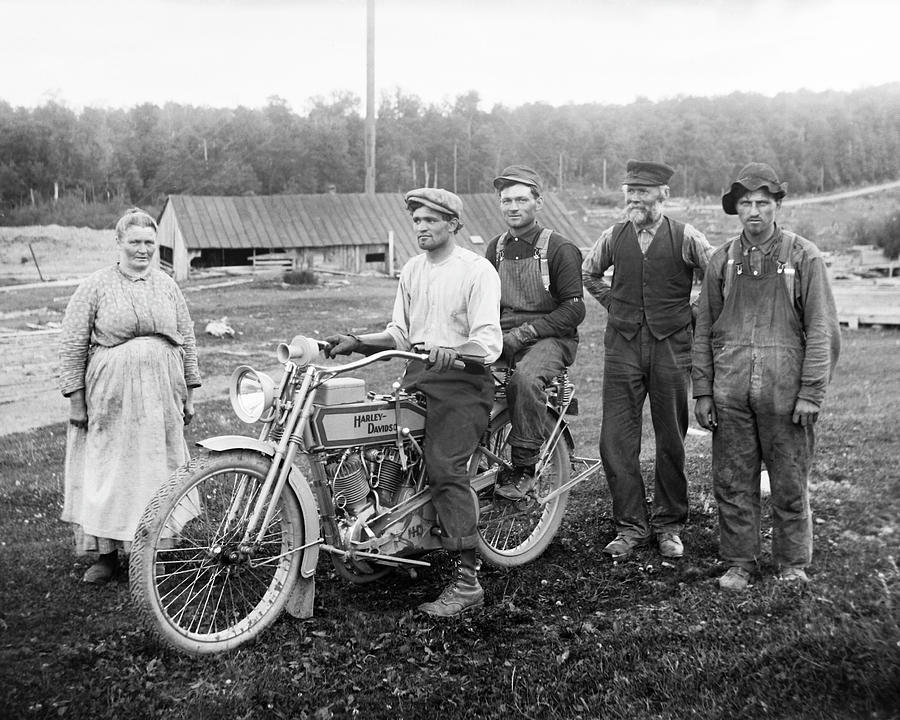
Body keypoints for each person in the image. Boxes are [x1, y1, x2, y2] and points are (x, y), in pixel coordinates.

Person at [325, 188, 502, 617]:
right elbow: (400, 334)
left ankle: (467, 580)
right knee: (377, 444)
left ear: (453, 224)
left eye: (431, 221)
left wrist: (457, 351)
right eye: (417, 221)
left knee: (444, 466)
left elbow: (488, 339)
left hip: (464, 382)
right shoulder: (412, 270)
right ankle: (388, 532)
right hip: (418, 376)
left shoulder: (477, 271)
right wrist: (356, 342)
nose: (421, 228)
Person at [692, 162, 840, 591]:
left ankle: (792, 562)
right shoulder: (721, 261)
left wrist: (811, 393)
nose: (754, 211)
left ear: (777, 205)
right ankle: (740, 561)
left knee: (790, 480)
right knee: (733, 481)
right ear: (735, 208)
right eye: (745, 203)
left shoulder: (803, 257)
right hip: (731, 393)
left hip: (786, 392)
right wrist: (703, 391)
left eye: (762, 202)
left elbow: (821, 330)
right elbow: (704, 330)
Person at [59, 208, 201, 584]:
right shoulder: (96, 285)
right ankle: (106, 556)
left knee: (159, 468)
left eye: (149, 243)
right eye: (135, 242)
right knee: (111, 472)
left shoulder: (167, 285)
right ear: (118, 243)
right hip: (111, 397)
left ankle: (159, 549)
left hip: (161, 398)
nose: (143, 250)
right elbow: (73, 343)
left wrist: (188, 392)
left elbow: (185, 337)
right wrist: (77, 401)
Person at [582, 160, 713, 560]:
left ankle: (669, 524)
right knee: (615, 441)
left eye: (644, 191)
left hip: (671, 346)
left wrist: (689, 312)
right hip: (622, 346)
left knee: (670, 436)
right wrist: (614, 304)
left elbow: (717, 278)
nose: (635, 198)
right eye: (630, 191)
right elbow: (589, 274)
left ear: (663, 195)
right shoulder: (613, 235)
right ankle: (630, 526)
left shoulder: (686, 236)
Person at [484, 165, 585, 500]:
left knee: (524, 380)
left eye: (521, 199)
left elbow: (574, 310)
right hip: (504, 332)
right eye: (506, 200)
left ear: (537, 202)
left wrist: (525, 334)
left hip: (552, 337)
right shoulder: (494, 249)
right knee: (458, 375)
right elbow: (487, 305)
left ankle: (524, 468)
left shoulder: (559, 248)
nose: (513, 207)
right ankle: (472, 464)